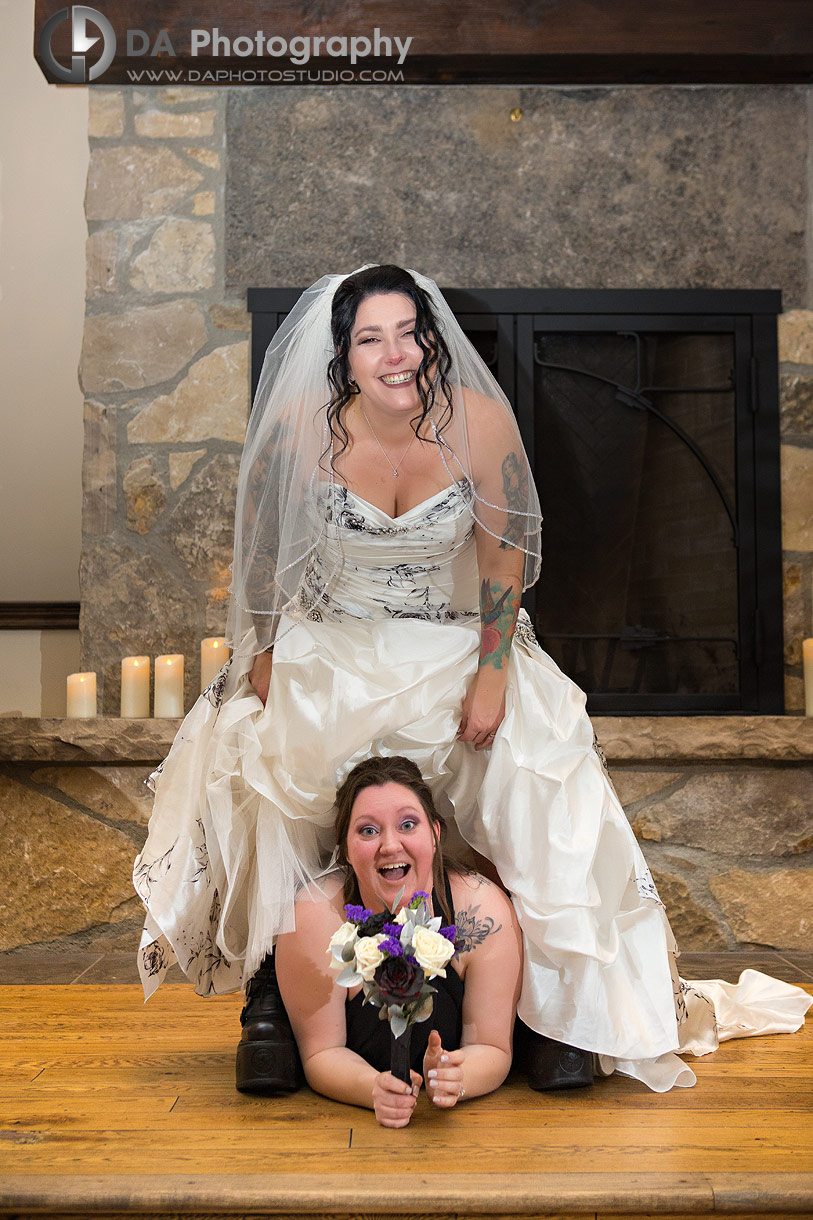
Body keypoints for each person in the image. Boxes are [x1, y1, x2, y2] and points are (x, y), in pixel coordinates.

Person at [133, 264, 811, 1097]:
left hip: (452, 640)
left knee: (537, 762)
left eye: (408, 333)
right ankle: (275, 999)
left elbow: (502, 560)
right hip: (332, 640)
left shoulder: (479, 425)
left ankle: (552, 1012)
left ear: (430, 338)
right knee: (263, 757)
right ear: (342, 354)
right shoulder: (300, 430)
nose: (394, 355)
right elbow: (267, 561)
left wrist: (490, 676)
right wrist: (267, 669)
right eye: (370, 339)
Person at [273, 755, 522, 1127]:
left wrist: (459, 1077)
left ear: (436, 834)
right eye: (368, 831)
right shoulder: (313, 917)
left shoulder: (482, 909)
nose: (390, 845)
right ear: (344, 847)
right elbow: (322, 1052)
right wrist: (371, 1088)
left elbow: (493, 1047)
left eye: (408, 824)